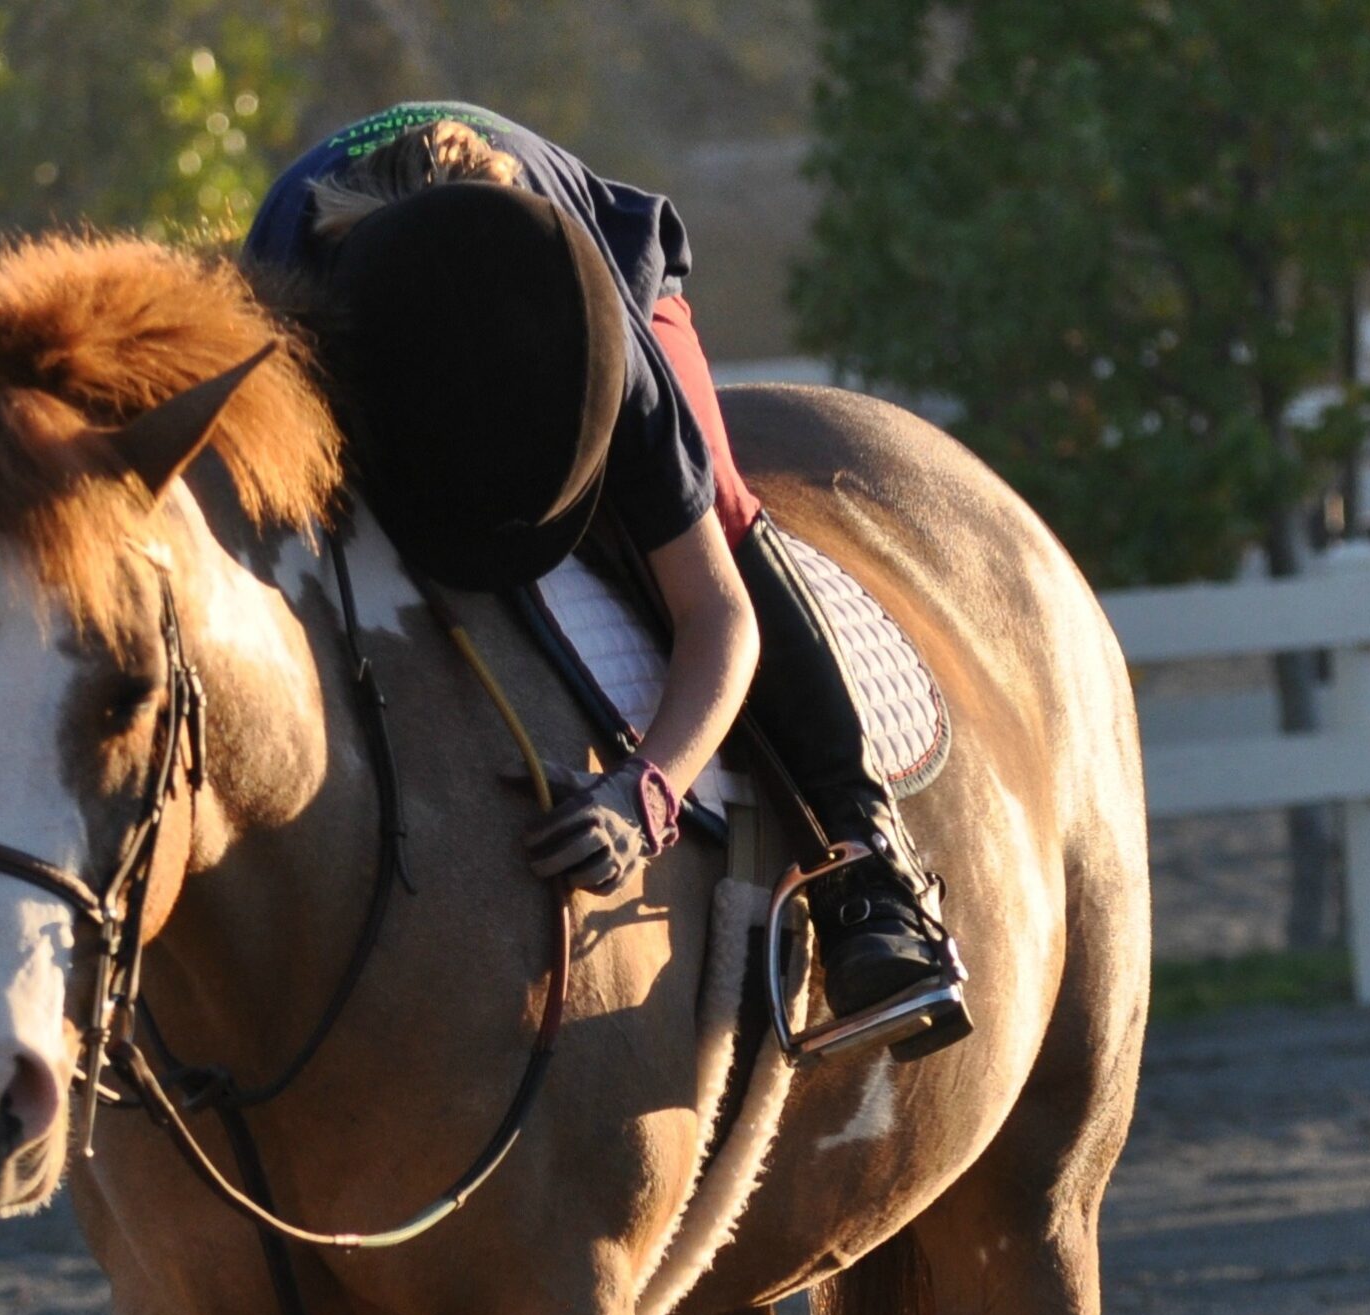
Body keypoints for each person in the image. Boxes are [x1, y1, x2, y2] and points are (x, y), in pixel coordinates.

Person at [244, 104, 965, 1048]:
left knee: (729, 519)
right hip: (336, 323)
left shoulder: (600, 337)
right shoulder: (279, 313)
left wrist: (646, 790)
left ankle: (871, 868)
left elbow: (718, 614)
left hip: (600, 272)